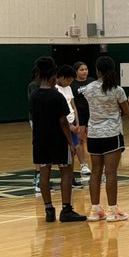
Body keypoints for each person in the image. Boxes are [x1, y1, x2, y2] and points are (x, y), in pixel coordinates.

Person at [30, 56, 86, 222]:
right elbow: (63, 121)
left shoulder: (33, 95)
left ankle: (48, 209)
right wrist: (71, 142)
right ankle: (66, 209)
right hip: (58, 139)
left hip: (40, 140)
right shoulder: (57, 97)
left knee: (44, 173)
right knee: (67, 171)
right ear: (54, 75)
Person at [81, 55, 129, 222]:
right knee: (111, 173)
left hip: (94, 134)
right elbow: (127, 112)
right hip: (112, 133)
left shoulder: (88, 89)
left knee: (95, 172)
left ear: (97, 70)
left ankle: (95, 211)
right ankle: (113, 211)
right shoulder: (117, 90)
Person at [55, 65, 82, 188]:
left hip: (72, 123)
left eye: (71, 80)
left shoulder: (69, 88)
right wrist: (69, 127)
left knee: (74, 151)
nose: (69, 82)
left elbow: (73, 106)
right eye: (67, 80)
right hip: (64, 126)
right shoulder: (55, 89)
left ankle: (71, 176)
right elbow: (58, 112)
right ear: (60, 77)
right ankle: (66, 177)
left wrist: (77, 123)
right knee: (66, 152)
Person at [71, 61, 92, 179]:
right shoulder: (72, 84)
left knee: (92, 138)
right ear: (76, 72)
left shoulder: (92, 81)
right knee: (80, 139)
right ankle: (83, 164)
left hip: (92, 112)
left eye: (86, 69)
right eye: (81, 70)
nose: (84, 72)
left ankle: (98, 164)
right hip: (80, 114)